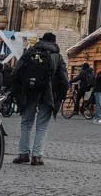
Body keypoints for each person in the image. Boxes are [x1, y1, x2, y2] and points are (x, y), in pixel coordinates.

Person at [12, 32, 66, 166]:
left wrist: (19, 90)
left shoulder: (30, 52)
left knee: (26, 123)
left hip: (29, 91)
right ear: (54, 42)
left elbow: (16, 72)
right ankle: (37, 156)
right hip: (48, 94)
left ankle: (23, 153)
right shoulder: (57, 56)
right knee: (42, 125)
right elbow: (64, 79)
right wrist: (61, 95)